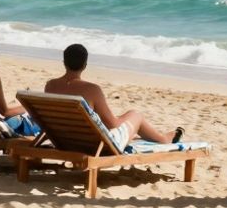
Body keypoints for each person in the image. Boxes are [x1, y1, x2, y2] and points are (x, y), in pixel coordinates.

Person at [45, 43, 182, 148]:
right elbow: (112, 124)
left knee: (128, 119)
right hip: (92, 145)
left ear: (64, 62)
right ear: (85, 65)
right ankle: (163, 139)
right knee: (135, 115)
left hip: (62, 140)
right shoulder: (91, 89)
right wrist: (125, 118)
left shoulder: (50, 85)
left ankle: (151, 136)